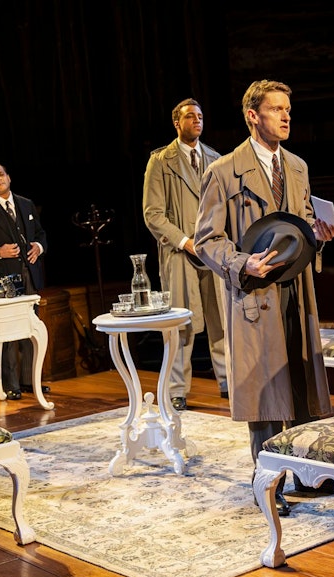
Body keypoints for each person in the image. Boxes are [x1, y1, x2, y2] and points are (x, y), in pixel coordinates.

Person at [194, 79, 334, 515]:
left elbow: (305, 225)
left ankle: (308, 476)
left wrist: (321, 234)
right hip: (256, 294)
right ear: (252, 116)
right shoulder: (223, 171)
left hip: (297, 290)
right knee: (265, 397)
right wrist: (242, 264)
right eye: (276, 108)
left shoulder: (296, 166)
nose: (286, 115)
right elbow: (206, 241)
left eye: (287, 108)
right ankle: (269, 487)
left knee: (300, 383)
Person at [142, 98, 228, 411]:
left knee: (220, 318)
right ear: (177, 123)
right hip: (180, 252)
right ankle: (177, 388)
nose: (197, 121)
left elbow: (225, 205)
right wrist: (184, 240)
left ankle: (228, 382)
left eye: (200, 116)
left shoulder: (216, 159)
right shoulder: (161, 160)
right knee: (182, 323)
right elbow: (153, 213)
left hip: (212, 251)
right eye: (190, 116)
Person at [0, 161, 50, 398]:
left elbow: (40, 234)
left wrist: (38, 247)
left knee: (30, 328)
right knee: (6, 333)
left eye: (1, 173)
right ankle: (11, 385)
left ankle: (30, 380)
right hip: (2, 278)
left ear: (9, 176)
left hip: (29, 274)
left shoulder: (25, 203)